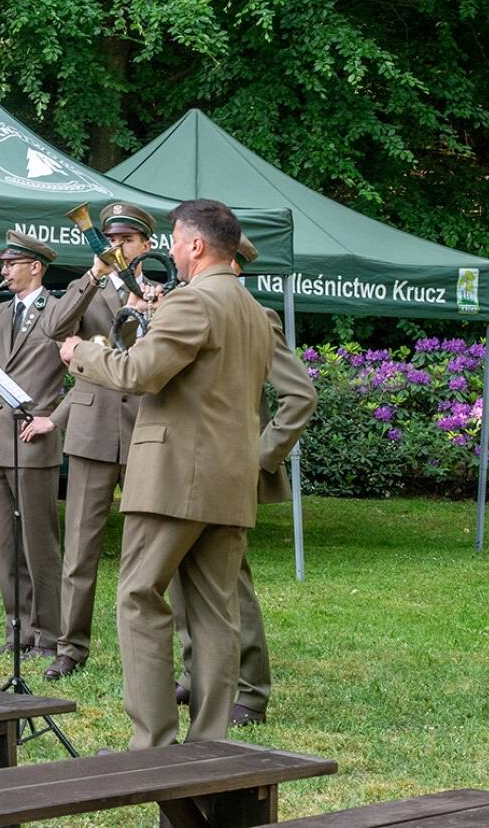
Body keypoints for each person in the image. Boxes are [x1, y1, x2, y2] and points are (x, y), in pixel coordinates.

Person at [59, 198, 274, 747]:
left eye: (177, 241)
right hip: (230, 480)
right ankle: (211, 742)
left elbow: (138, 373)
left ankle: (152, 744)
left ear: (197, 245)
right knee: (215, 615)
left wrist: (82, 353)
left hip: (175, 478)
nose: (172, 251)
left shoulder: (193, 300)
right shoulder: (252, 308)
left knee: (138, 597)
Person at [175, 233, 317, 725]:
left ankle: (251, 692)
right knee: (182, 576)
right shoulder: (193, 305)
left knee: (230, 583)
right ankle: (198, 675)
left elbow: (300, 395)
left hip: (232, 467)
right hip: (191, 465)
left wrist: (260, 457)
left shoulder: (257, 315)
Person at [0, 231, 100, 657]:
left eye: (11, 264)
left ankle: (49, 636)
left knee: (40, 547)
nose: (3, 271)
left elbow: (89, 370)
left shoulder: (59, 312)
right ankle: (17, 633)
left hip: (34, 441)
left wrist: (56, 419)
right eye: (3, 264)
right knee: (8, 545)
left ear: (35, 266)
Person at [43, 203, 157, 680]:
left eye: (127, 240)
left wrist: (155, 306)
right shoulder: (86, 285)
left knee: (151, 546)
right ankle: (70, 646)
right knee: (80, 547)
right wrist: (93, 274)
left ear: (146, 246)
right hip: (92, 426)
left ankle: (149, 646)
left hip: (147, 427)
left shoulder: (165, 285)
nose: (117, 247)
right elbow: (54, 328)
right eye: (111, 238)